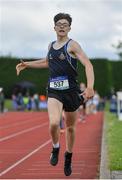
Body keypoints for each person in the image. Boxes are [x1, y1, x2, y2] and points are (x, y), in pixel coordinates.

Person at [16, 13, 94, 176]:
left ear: (69, 28)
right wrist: (27, 64)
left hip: (71, 92)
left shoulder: (73, 45)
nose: (62, 26)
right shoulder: (51, 45)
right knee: (54, 123)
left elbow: (87, 64)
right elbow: (47, 62)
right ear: (54, 27)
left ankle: (68, 156)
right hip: (54, 91)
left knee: (71, 128)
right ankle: (56, 147)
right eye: (59, 24)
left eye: (65, 24)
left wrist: (90, 87)